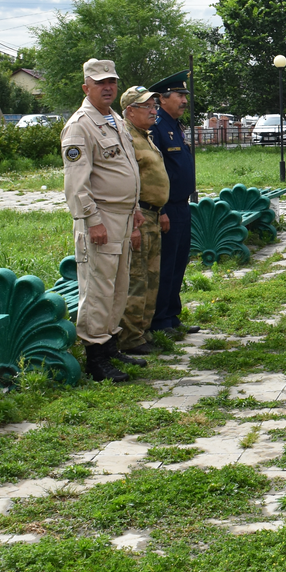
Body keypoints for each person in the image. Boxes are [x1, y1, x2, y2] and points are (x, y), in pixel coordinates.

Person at [61, 59, 144, 383]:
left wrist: (135, 207)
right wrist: (92, 220)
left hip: (122, 216)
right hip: (101, 218)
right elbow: (76, 184)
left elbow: (126, 168)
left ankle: (109, 344)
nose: (108, 87)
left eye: (112, 81)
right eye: (100, 83)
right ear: (86, 88)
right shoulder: (80, 125)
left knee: (117, 286)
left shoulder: (114, 120)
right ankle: (95, 357)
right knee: (97, 288)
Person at [115, 84, 171, 365]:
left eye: (153, 106)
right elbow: (128, 182)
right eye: (146, 107)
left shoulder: (144, 136)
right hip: (137, 217)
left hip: (152, 215)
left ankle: (143, 331)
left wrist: (160, 210)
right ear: (129, 111)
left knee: (151, 277)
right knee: (136, 277)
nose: (153, 110)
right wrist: (134, 221)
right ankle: (130, 337)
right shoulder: (126, 138)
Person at [149, 70, 198, 338]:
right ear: (163, 98)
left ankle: (172, 314)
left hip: (182, 206)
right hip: (167, 209)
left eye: (184, 96)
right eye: (179, 95)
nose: (184, 100)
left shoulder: (174, 127)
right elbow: (154, 174)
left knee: (179, 262)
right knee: (166, 264)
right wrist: (162, 210)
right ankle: (160, 321)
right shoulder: (156, 127)